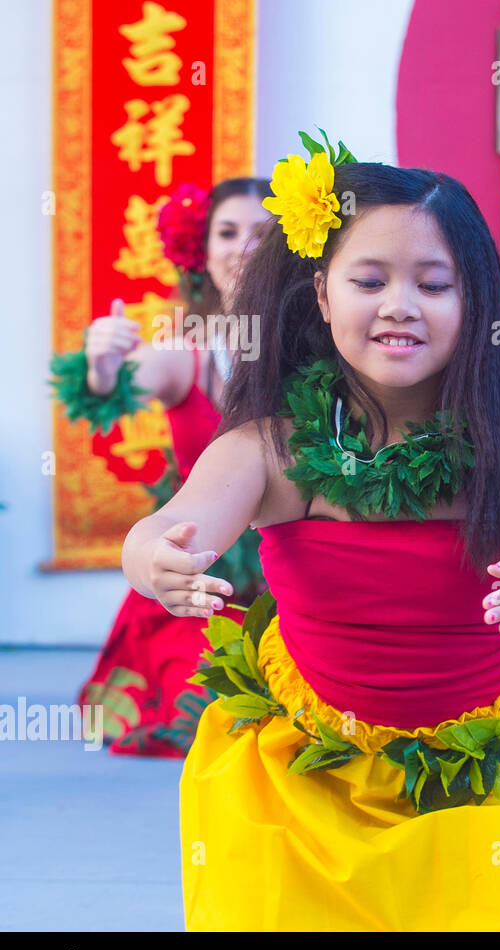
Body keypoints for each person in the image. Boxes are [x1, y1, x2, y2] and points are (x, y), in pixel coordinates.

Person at [120, 140, 500, 930]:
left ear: (475, 305)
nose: (401, 304)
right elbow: (172, 521)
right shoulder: (272, 448)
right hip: (298, 777)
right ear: (322, 295)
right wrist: (153, 555)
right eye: (370, 280)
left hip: (478, 786)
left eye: (433, 284)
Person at [51, 177, 272, 757]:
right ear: (199, 251)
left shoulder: (323, 346)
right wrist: (103, 364)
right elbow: (115, 385)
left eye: (262, 232)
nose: (243, 245)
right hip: (199, 569)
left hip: (293, 563)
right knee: (201, 715)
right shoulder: (187, 353)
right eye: (226, 232)